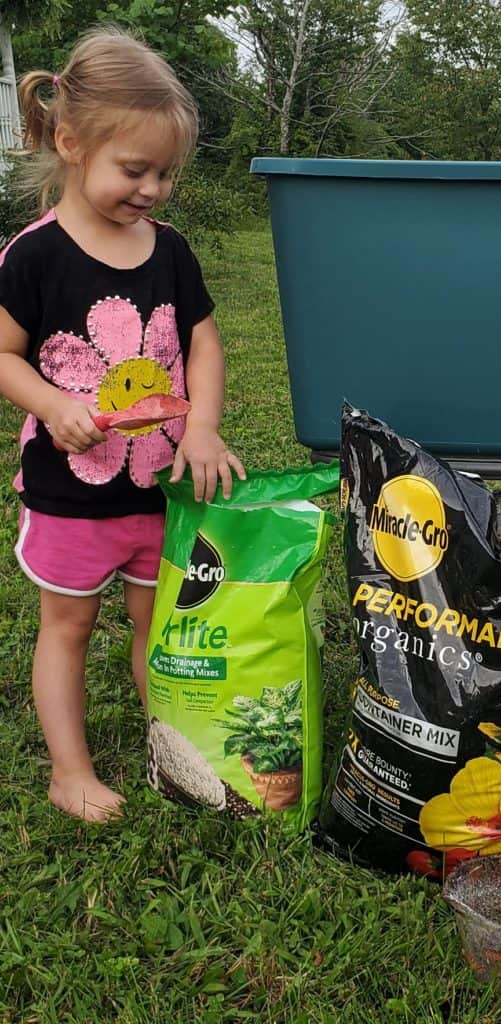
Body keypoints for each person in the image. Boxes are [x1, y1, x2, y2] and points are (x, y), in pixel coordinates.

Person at [0, 27, 245, 822]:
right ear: (70, 142)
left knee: (158, 627)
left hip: (158, 488)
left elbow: (202, 341)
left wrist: (202, 429)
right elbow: (3, 354)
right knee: (68, 627)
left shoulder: (170, 251)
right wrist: (50, 403)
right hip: (72, 491)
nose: (151, 188)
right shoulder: (33, 257)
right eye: (134, 169)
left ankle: (171, 744)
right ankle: (69, 771)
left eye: (165, 173)